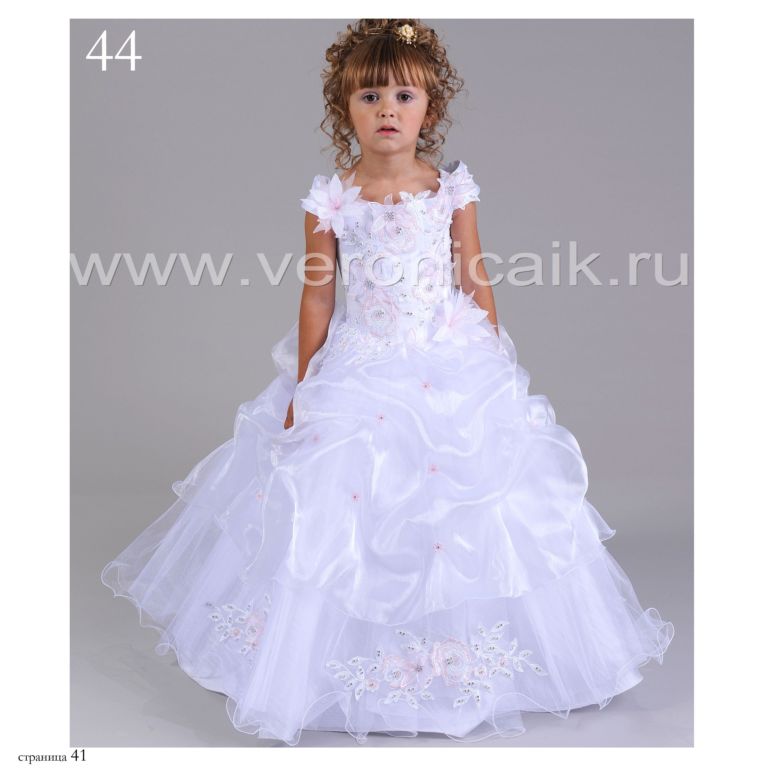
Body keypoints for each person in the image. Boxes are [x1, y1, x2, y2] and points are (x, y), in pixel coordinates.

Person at [101, 18, 674, 746]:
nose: (388, 111)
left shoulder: (449, 187)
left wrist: (494, 360)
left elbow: (473, 274)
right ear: (344, 109)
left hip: (447, 358)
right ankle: (320, 663)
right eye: (370, 97)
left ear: (431, 107)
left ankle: (459, 658)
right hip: (361, 366)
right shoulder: (333, 198)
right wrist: (305, 386)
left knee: (464, 506)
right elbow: (318, 295)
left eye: (405, 96)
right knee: (338, 507)